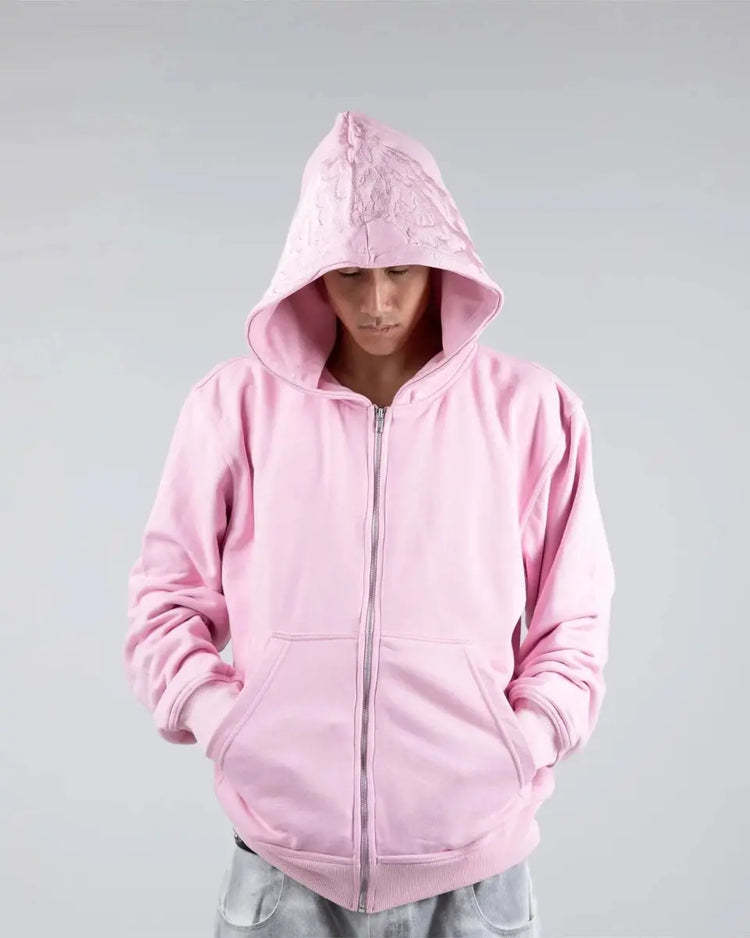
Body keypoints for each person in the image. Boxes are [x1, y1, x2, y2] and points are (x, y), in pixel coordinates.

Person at [124, 110, 616, 937]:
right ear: (312, 275)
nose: (377, 301)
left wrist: (522, 743)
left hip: (477, 871)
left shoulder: (532, 411)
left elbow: (577, 619)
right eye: (349, 273)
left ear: (442, 266)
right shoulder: (234, 407)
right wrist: (223, 725)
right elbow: (163, 600)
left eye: (400, 270)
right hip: (281, 867)